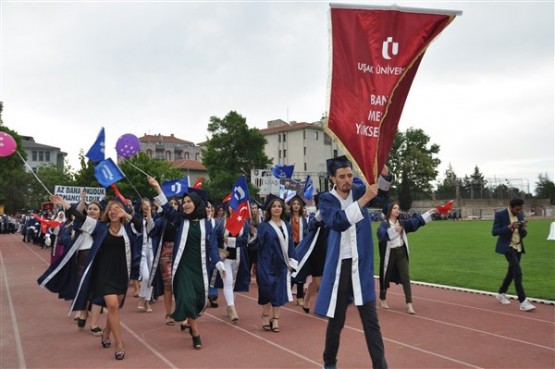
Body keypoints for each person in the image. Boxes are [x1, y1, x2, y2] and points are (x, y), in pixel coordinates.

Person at [315, 156, 391, 369]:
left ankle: (380, 366)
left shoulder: (359, 191)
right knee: (336, 321)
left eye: (350, 175)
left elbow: (381, 195)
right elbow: (338, 222)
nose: (347, 180)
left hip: (361, 266)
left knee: (371, 321)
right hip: (339, 268)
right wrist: (365, 199)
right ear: (333, 178)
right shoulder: (326, 200)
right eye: (342, 177)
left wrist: (384, 173)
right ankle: (329, 363)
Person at [50, 194, 142, 361]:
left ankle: (106, 333)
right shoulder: (100, 227)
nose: (114, 212)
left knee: (114, 308)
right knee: (112, 305)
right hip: (104, 273)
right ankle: (119, 344)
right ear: (106, 212)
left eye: (117, 209)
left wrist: (127, 215)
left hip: (121, 273)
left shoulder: (127, 228)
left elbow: (140, 225)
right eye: (111, 209)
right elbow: (81, 218)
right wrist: (66, 204)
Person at [148, 177, 224, 350]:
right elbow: (167, 208)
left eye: (189, 202)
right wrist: (158, 188)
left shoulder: (207, 224)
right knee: (187, 297)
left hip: (200, 266)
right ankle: (195, 333)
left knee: (198, 300)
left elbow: (212, 246)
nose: (186, 205)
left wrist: (218, 263)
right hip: (182, 266)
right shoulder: (180, 220)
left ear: (197, 204)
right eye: (184, 202)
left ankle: (190, 320)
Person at [377, 202, 436, 314]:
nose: (397, 210)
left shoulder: (402, 223)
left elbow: (415, 222)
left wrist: (429, 213)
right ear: (389, 210)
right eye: (394, 208)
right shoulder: (384, 224)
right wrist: (394, 231)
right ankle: (382, 299)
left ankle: (409, 304)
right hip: (389, 254)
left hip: (401, 253)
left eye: (398, 208)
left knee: (406, 277)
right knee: (385, 276)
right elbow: (381, 236)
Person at [256, 194, 298, 333]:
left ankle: (276, 319)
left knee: (278, 292)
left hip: (281, 264)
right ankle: (265, 315)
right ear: (269, 209)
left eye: (279, 206)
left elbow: (290, 244)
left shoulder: (287, 225)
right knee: (267, 290)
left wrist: (292, 260)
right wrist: (251, 237)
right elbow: (257, 244)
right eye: (274, 206)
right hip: (266, 263)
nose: (277, 208)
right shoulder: (263, 226)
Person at [492, 198, 535, 312]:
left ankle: (501, 293)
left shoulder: (520, 215)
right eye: (517, 209)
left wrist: (523, 229)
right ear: (511, 206)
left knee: (511, 272)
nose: (519, 211)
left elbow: (523, 234)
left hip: (518, 247)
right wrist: (509, 227)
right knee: (518, 272)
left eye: (521, 209)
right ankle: (523, 302)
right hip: (508, 247)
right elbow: (494, 232)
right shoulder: (500, 215)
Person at [210, 204, 251, 323]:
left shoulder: (244, 223)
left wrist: (232, 241)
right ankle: (232, 308)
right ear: (228, 208)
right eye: (232, 206)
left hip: (239, 257)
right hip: (225, 258)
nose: (234, 208)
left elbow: (246, 240)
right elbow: (214, 239)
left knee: (234, 283)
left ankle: (229, 305)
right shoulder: (221, 223)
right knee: (227, 281)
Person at [293, 193, 328, 314]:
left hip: (331, 251)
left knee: (330, 281)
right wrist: (321, 215)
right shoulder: (315, 217)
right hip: (316, 252)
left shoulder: (334, 215)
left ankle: (326, 306)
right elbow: (312, 225)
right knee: (317, 282)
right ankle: (307, 297)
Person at [149, 197, 180, 326]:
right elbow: (151, 231)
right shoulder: (161, 220)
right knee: (168, 285)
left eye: (175, 204)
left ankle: (181, 312)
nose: (173, 205)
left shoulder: (181, 220)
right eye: (170, 203)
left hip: (180, 254)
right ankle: (169, 313)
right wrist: (149, 216)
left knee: (180, 284)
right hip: (165, 255)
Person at [286, 194, 309, 306]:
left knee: (301, 271)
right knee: (290, 270)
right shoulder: (287, 219)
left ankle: (300, 296)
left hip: (301, 246)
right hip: (290, 247)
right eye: (294, 204)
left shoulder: (304, 220)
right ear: (291, 206)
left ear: (301, 206)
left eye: (298, 204)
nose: (296, 206)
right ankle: (286, 293)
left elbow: (308, 234)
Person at [137, 198, 155, 313]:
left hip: (152, 249)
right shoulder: (137, 219)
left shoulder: (155, 218)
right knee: (146, 276)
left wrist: (149, 215)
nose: (146, 206)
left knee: (151, 277)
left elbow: (151, 229)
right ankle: (142, 298)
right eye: (144, 204)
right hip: (141, 250)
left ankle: (147, 301)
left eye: (148, 205)